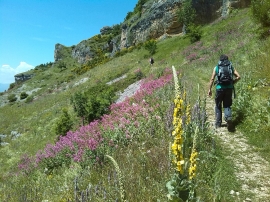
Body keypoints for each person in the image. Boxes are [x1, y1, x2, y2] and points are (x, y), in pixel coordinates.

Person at [208, 54, 241, 131]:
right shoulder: (231, 67)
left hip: (219, 88)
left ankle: (218, 123)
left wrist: (209, 89)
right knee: (227, 105)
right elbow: (238, 77)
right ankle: (228, 118)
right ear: (227, 59)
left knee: (218, 104)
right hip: (229, 88)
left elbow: (212, 79)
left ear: (220, 60)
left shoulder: (217, 67)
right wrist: (233, 82)